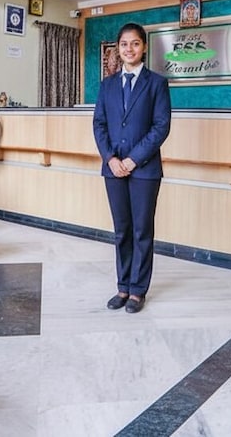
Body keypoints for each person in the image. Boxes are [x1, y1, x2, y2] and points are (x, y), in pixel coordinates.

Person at [93, 22, 172, 314]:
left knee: (141, 231)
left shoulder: (157, 84)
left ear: (144, 47)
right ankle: (122, 287)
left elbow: (161, 126)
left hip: (145, 171)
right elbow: (99, 124)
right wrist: (111, 159)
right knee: (121, 231)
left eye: (135, 43)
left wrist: (132, 159)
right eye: (124, 44)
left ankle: (138, 291)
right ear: (118, 48)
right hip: (113, 169)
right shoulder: (107, 85)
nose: (129, 49)